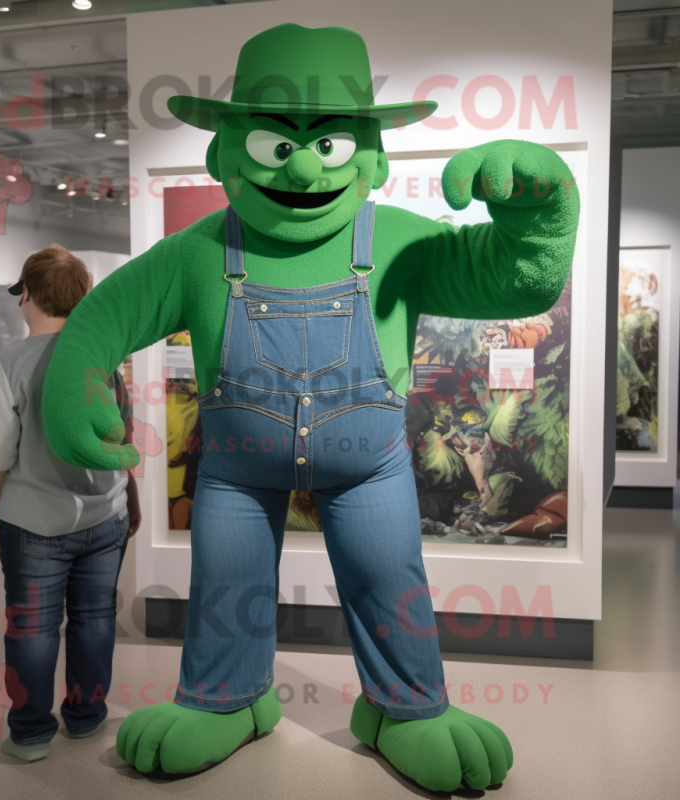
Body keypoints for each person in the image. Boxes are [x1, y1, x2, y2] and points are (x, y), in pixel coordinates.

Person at [41, 24, 579, 793]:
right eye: (272, 143)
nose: (300, 165)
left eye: (327, 144)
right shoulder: (199, 251)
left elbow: (511, 281)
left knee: (389, 580)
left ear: (369, 156)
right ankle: (228, 699)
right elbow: (106, 318)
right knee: (226, 581)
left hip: (370, 470)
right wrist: (75, 387)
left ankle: (408, 706)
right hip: (235, 473)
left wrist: (540, 216)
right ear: (227, 150)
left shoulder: (395, 240)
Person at [0, 244, 141, 762]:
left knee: (32, 627)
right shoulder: (105, 361)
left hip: (34, 525)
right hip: (105, 515)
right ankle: (87, 719)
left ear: (26, 295)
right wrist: (131, 500)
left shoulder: (7, 367)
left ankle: (30, 734)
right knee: (95, 621)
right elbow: (121, 440)